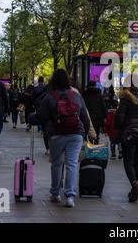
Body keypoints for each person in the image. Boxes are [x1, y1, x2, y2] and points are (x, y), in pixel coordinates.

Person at [29, 69, 90, 208]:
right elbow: (84, 117)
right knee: (72, 164)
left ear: (53, 81)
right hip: (76, 134)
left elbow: (40, 117)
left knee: (56, 164)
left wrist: (30, 118)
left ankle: (55, 193)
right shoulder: (76, 95)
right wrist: (84, 134)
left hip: (56, 134)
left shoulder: (50, 96)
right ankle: (69, 196)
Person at [33, 77, 49, 153]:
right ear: (43, 81)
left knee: (38, 114)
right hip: (44, 104)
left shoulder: (35, 88)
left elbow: (33, 97)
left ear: (38, 81)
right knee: (43, 116)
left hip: (37, 104)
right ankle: (41, 129)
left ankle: (40, 128)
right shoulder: (46, 88)